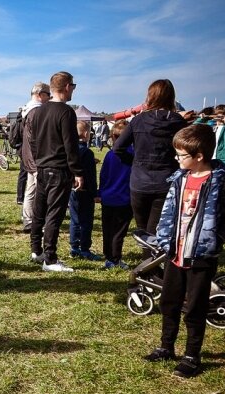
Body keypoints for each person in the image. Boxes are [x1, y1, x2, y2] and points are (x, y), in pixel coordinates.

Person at [144, 124, 225, 378]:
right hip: (175, 254)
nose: (176, 158)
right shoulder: (179, 179)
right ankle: (166, 346)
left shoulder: (219, 182)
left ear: (199, 155)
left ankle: (192, 356)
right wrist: (165, 240)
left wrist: (215, 240)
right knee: (169, 302)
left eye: (181, 155)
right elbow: (168, 213)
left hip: (201, 258)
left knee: (195, 307)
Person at [112, 79, 190, 237]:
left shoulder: (138, 120)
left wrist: (134, 163)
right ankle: (154, 259)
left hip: (141, 182)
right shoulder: (178, 122)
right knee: (157, 230)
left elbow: (117, 147)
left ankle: (150, 259)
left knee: (145, 230)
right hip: (166, 180)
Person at [28, 71, 83, 272]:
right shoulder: (66, 112)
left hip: (41, 167)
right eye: (73, 87)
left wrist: (38, 161)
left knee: (39, 212)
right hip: (59, 169)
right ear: (67, 86)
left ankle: (36, 251)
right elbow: (71, 145)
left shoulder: (39, 111)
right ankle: (49, 259)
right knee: (54, 215)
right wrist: (77, 172)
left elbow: (33, 142)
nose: (73, 91)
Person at [97, 120, 133, 269]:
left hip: (108, 196)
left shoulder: (110, 155)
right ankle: (115, 258)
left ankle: (109, 256)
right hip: (124, 198)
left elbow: (103, 175)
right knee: (119, 231)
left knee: (108, 229)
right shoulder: (133, 155)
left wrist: (100, 192)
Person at [20, 81, 51, 233]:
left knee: (31, 189)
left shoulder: (27, 110)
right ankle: (37, 222)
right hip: (36, 158)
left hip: (28, 156)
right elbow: (37, 138)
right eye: (48, 95)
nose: (49, 98)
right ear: (40, 95)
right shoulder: (37, 111)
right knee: (40, 192)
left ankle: (28, 220)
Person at [68, 121, 102, 261]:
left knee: (74, 220)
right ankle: (85, 249)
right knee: (86, 221)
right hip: (86, 191)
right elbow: (90, 176)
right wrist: (95, 193)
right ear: (87, 134)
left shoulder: (69, 150)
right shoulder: (87, 153)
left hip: (72, 190)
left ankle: (74, 247)